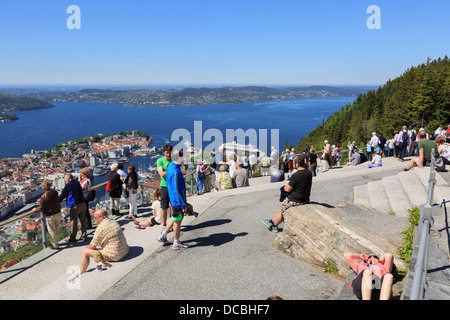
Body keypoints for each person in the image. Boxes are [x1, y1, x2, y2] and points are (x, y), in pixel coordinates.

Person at [262, 155, 312, 233]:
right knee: (283, 207)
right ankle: (272, 221)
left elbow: (288, 189)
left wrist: (285, 186)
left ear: (297, 164)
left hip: (296, 200)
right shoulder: (309, 172)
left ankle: (274, 225)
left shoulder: (296, 175)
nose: (293, 164)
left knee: (283, 209)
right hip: (305, 198)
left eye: (294, 163)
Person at [78, 209, 129, 275]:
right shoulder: (113, 221)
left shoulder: (100, 227)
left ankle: (81, 273)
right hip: (125, 250)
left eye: (95, 218)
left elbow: (92, 246)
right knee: (96, 250)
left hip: (117, 255)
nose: (94, 219)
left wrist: (88, 248)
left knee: (85, 252)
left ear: (102, 217)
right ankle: (100, 260)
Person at [157, 149, 189, 250]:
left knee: (174, 218)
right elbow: (177, 190)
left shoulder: (170, 166)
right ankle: (176, 242)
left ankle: (163, 235)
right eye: (183, 156)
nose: (183, 158)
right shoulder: (176, 171)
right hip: (177, 201)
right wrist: (183, 205)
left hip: (173, 200)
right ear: (179, 158)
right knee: (178, 222)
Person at [33, 180, 61, 249]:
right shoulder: (55, 192)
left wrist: (35, 209)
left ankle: (55, 245)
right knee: (56, 229)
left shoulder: (43, 196)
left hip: (50, 215)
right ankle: (56, 242)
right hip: (57, 212)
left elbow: (41, 208)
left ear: (43, 188)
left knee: (52, 231)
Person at [59, 173, 87, 242]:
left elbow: (62, 196)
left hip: (75, 205)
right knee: (83, 220)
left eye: (65, 179)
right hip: (82, 203)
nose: (64, 181)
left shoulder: (68, 185)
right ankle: (84, 235)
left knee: (73, 221)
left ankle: (72, 237)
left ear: (68, 179)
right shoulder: (77, 182)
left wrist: (56, 201)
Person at [157, 144, 172, 227]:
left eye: (170, 153)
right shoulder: (160, 160)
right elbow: (162, 174)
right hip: (164, 186)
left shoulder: (174, 160)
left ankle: (173, 223)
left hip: (173, 185)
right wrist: (172, 170)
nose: (168, 155)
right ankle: (164, 224)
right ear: (164, 152)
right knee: (164, 207)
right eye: (167, 153)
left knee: (174, 205)